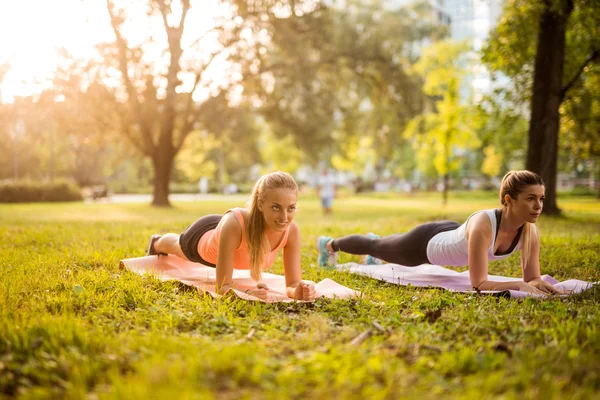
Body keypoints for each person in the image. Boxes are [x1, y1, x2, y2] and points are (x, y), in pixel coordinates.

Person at [316, 170, 565, 295]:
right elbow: (478, 283)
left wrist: (541, 285)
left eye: (541, 199)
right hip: (426, 245)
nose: (538, 206)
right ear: (508, 200)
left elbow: (532, 277)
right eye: (531, 198)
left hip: (451, 231)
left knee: (381, 247)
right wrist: (520, 285)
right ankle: (329, 245)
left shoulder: (530, 232)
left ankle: (374, 255)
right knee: (377, 244)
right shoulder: (484, 225)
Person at [146, 171, 316, 301]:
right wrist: (247, 293)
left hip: (227, 229)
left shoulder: (291, 231)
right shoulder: (235, 224)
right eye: (276, 207)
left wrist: (298, 291)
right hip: (204, 237)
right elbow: (222, 287)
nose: (284, 217)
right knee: (178, 247)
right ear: (260, 204)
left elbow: (292, 285)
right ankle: (157, 242)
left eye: (291, 208)